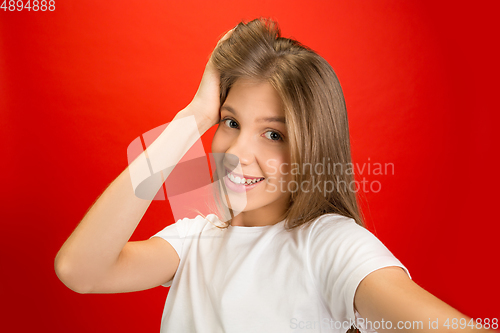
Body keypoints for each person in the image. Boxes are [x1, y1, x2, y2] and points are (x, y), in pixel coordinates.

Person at [55, 18, 495, 333]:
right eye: (230, 122)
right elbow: (79, 270)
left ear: (311, 147)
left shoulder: (331, 245)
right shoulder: (191, 241)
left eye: (273, 133)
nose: (239, 152)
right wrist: (193, 115)